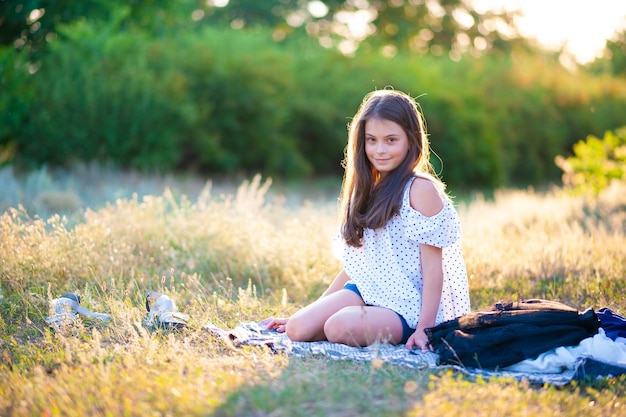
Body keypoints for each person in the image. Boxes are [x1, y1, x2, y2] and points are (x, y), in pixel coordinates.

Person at [266, 89, 470, 350]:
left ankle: (386, 324)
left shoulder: (420, 190)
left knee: (338, 326)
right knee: (297, 328)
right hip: (368, 290)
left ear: (411, 140)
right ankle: (340, 319)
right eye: (371, 140)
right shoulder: (367, 188)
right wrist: (310, 311)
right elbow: (357, 264)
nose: (380, 150)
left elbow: (433, 269)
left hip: (407, 305)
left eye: (391, 140)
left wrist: (425, 329)